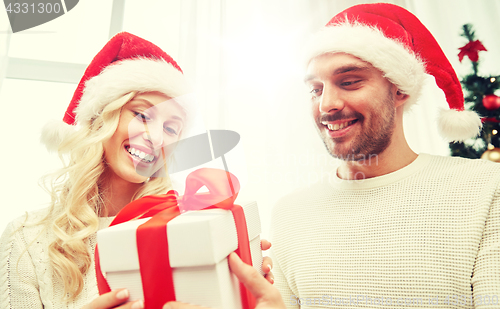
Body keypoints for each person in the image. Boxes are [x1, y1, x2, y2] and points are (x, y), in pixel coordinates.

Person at [0, 32, 272, 309]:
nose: (156, 137)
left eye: (170, 128)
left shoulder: (190, 226)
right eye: (141, 115)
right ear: (100, 118)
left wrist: (239, 282)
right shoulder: (25, 238)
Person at [268, 3, 500, 309]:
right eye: (315, 88)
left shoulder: (486, 190)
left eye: (349, 82)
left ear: (400, 89)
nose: (326, 104)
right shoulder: (289, 213)